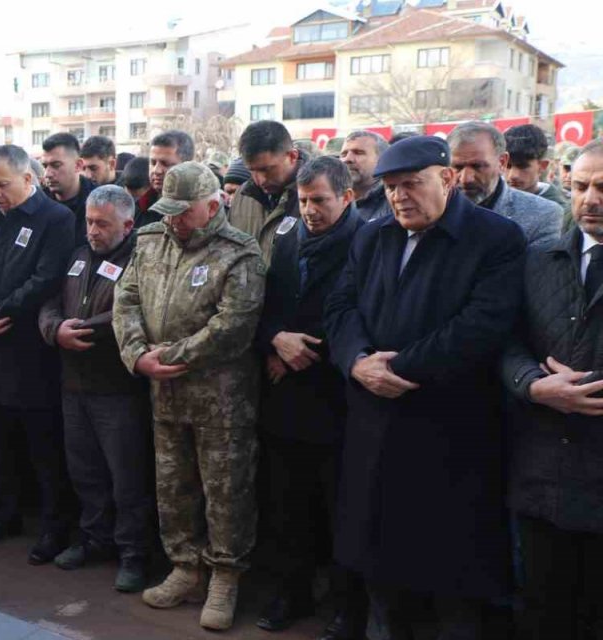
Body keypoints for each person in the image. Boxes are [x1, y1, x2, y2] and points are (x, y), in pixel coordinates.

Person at [324, 135, 525, 638]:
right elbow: (340, 308)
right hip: (375, 426)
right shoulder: (372, 237)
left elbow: (482, 325)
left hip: (449, 431)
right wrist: (357, 362)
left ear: (448, 178)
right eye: (390, 187)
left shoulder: (496, 238)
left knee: (451, 580)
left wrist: (401, 369)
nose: (399, 197)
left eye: (411, 184)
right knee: (379, 571)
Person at [114, 162, 265, 631]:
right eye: (169, 211)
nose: (174, 220)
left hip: (220, 397)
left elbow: (234, 325)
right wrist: (137, 355)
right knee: (172, 483)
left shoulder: (240, 253)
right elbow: (127, 298)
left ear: (214, 205)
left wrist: (169, 354)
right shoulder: (151, 239)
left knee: (225, 489)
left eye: (184, 212)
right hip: (164, 391)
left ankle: (225, 575)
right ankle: (185, 567)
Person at [254, 156, 367, 639]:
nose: (310, 211)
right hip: (284, 398)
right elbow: (264, 304)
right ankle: (292, 592)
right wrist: (275, 338)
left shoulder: (368, 242)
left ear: (347, 196)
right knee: (287, 507)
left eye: (319, 200)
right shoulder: (285, 237)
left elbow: (355, 315)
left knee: (340, 511)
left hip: (336, 399)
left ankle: (347, 609)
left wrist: (301, 347)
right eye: (302, 201)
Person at [501, 139, 603, 640]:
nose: (591, 199)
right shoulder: (540, 258)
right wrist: (535, 386)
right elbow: (507, 342)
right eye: (580, 186)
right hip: (544, 470)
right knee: (543, 606)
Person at [0, 144, 74, 564]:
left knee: (42, 449)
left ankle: (53, 526)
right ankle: (4, 515)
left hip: (28, 351)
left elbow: (46, 278)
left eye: (2, 184)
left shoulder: (56, 219)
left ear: (29, 179)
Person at [37, 185, 152, 593]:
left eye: (102, 223)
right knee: (85, 470)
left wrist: (81, 330)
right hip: (73, 384)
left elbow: (129, 311)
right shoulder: (79, 254)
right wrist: (54, 330)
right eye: (88, 221)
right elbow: (49, 301)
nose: (92, 230)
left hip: (116, 387)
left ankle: (133, 552)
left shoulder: (140, 258)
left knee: (127, 477)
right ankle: (94, 538)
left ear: (127, 223)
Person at [448, 121, 560, 250]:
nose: (466, 179)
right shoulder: (431, 210)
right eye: (457, 167)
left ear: (502, 162)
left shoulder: (542, 216)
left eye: (477, 166)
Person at [231, 121, 306, 265]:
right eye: (252, 170)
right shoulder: (242, 195)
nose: (259, 180)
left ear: (292, 156)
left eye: (267, 169)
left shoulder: (317, 195)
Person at [504, 124, 572, 232]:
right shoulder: (490, 200)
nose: (513, 175)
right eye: (507, 166)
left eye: (522, 166)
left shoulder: (562, 214)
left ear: (542, 166)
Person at [40, 132, 98, 245]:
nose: (47, 174)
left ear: (78, 165)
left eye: (56, 165)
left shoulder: (99, 203)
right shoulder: (39, 203)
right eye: (45, 166)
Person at [141, 131, 196, 227]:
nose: (156, 171)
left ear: (188, 164)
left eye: (166, 164)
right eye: (153, 163)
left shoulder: (203, 208)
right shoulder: (139, 207)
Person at [341, 130, 392, 221]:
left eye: (358, 153)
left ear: (381, 159)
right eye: (344, 154)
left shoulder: (395, 202)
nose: (347, 159)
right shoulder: (332, 200)